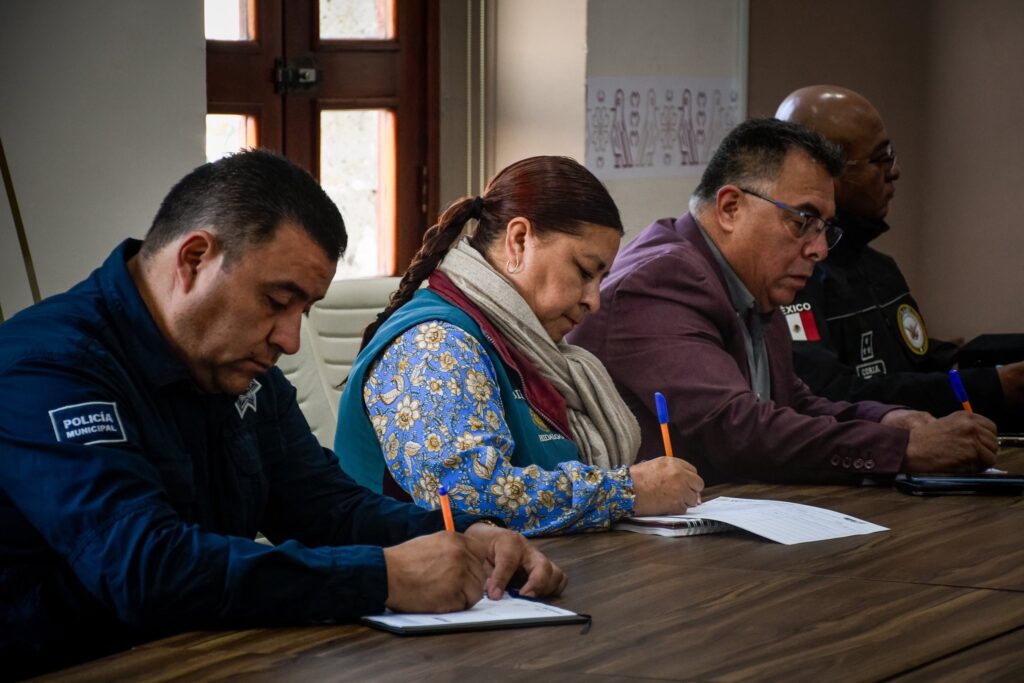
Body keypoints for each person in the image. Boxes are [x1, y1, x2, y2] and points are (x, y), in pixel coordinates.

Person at [0, 150, 566, 679]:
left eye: (305, 311)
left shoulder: (237, 369)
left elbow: (326, 507)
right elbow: (145, 569)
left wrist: (467, 534)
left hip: (207, 660)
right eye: (276, 302)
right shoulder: (49, 367)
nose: (290, 340)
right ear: (194, 259)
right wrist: (384, 576)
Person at [567, 118, 998, 486]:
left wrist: (887, 419)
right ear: (730, 208)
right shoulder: (661, 281)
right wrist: (901, 449)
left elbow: (792, 403)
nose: (819, 249)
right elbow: (737, 429)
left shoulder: (752, 279)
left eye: (825, 228)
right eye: (803, 221)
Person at [335, 156, 703, 536]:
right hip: (408, 569)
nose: (594, 301)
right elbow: (470, 496)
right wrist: (626, 491)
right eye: (583, 271)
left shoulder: (530, 347)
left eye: (601, 279)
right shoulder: (435, 344)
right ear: (519, 241)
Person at [775, 85, 1024, 428]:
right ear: (826, 173)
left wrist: (1003, 367)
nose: (894, 172)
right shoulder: (793, 280)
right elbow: (831, 395)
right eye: (880, 159)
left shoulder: (879, 268)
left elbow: (922, 360)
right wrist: (993, 388)